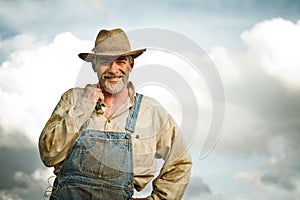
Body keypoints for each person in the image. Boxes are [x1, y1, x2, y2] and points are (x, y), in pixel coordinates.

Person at [39, 28, 192, 200]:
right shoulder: (72, 99)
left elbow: (180, 162)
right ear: (94, 64)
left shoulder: (151, 111)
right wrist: (83, 107)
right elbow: (48, 154)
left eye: (120, 61)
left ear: (131, 65)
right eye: (105, 61)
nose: (113, 69)